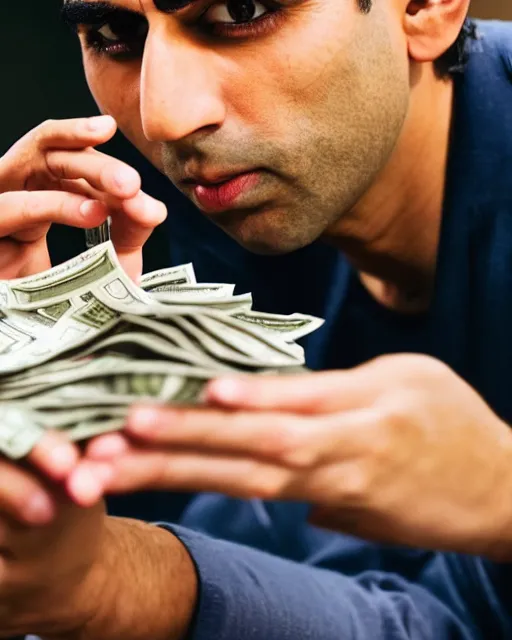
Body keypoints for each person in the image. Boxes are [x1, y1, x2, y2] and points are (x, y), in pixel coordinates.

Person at [0, 0, 512, 638]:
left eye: (241, 10)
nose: (165, 116)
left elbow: (454, 621)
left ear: (423, 8)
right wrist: (45, 420)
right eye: (113, 35)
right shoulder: (166, 200)